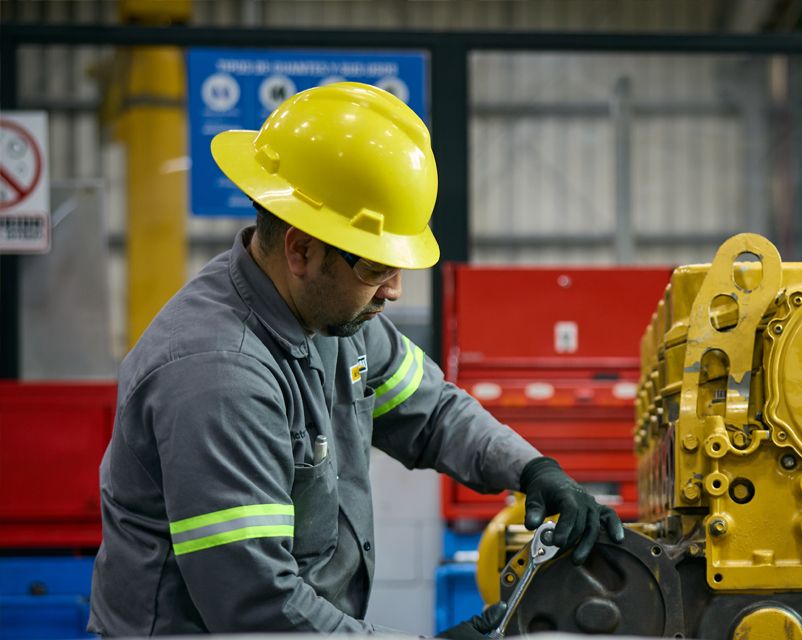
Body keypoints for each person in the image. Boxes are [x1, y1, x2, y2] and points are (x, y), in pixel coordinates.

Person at [88, 82, 623, 636]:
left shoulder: (334, 315)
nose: (393, 291)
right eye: (375, 267)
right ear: (301, 249)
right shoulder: (217, 375)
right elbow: (256, 605)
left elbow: (434, 412)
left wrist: (534, 470)